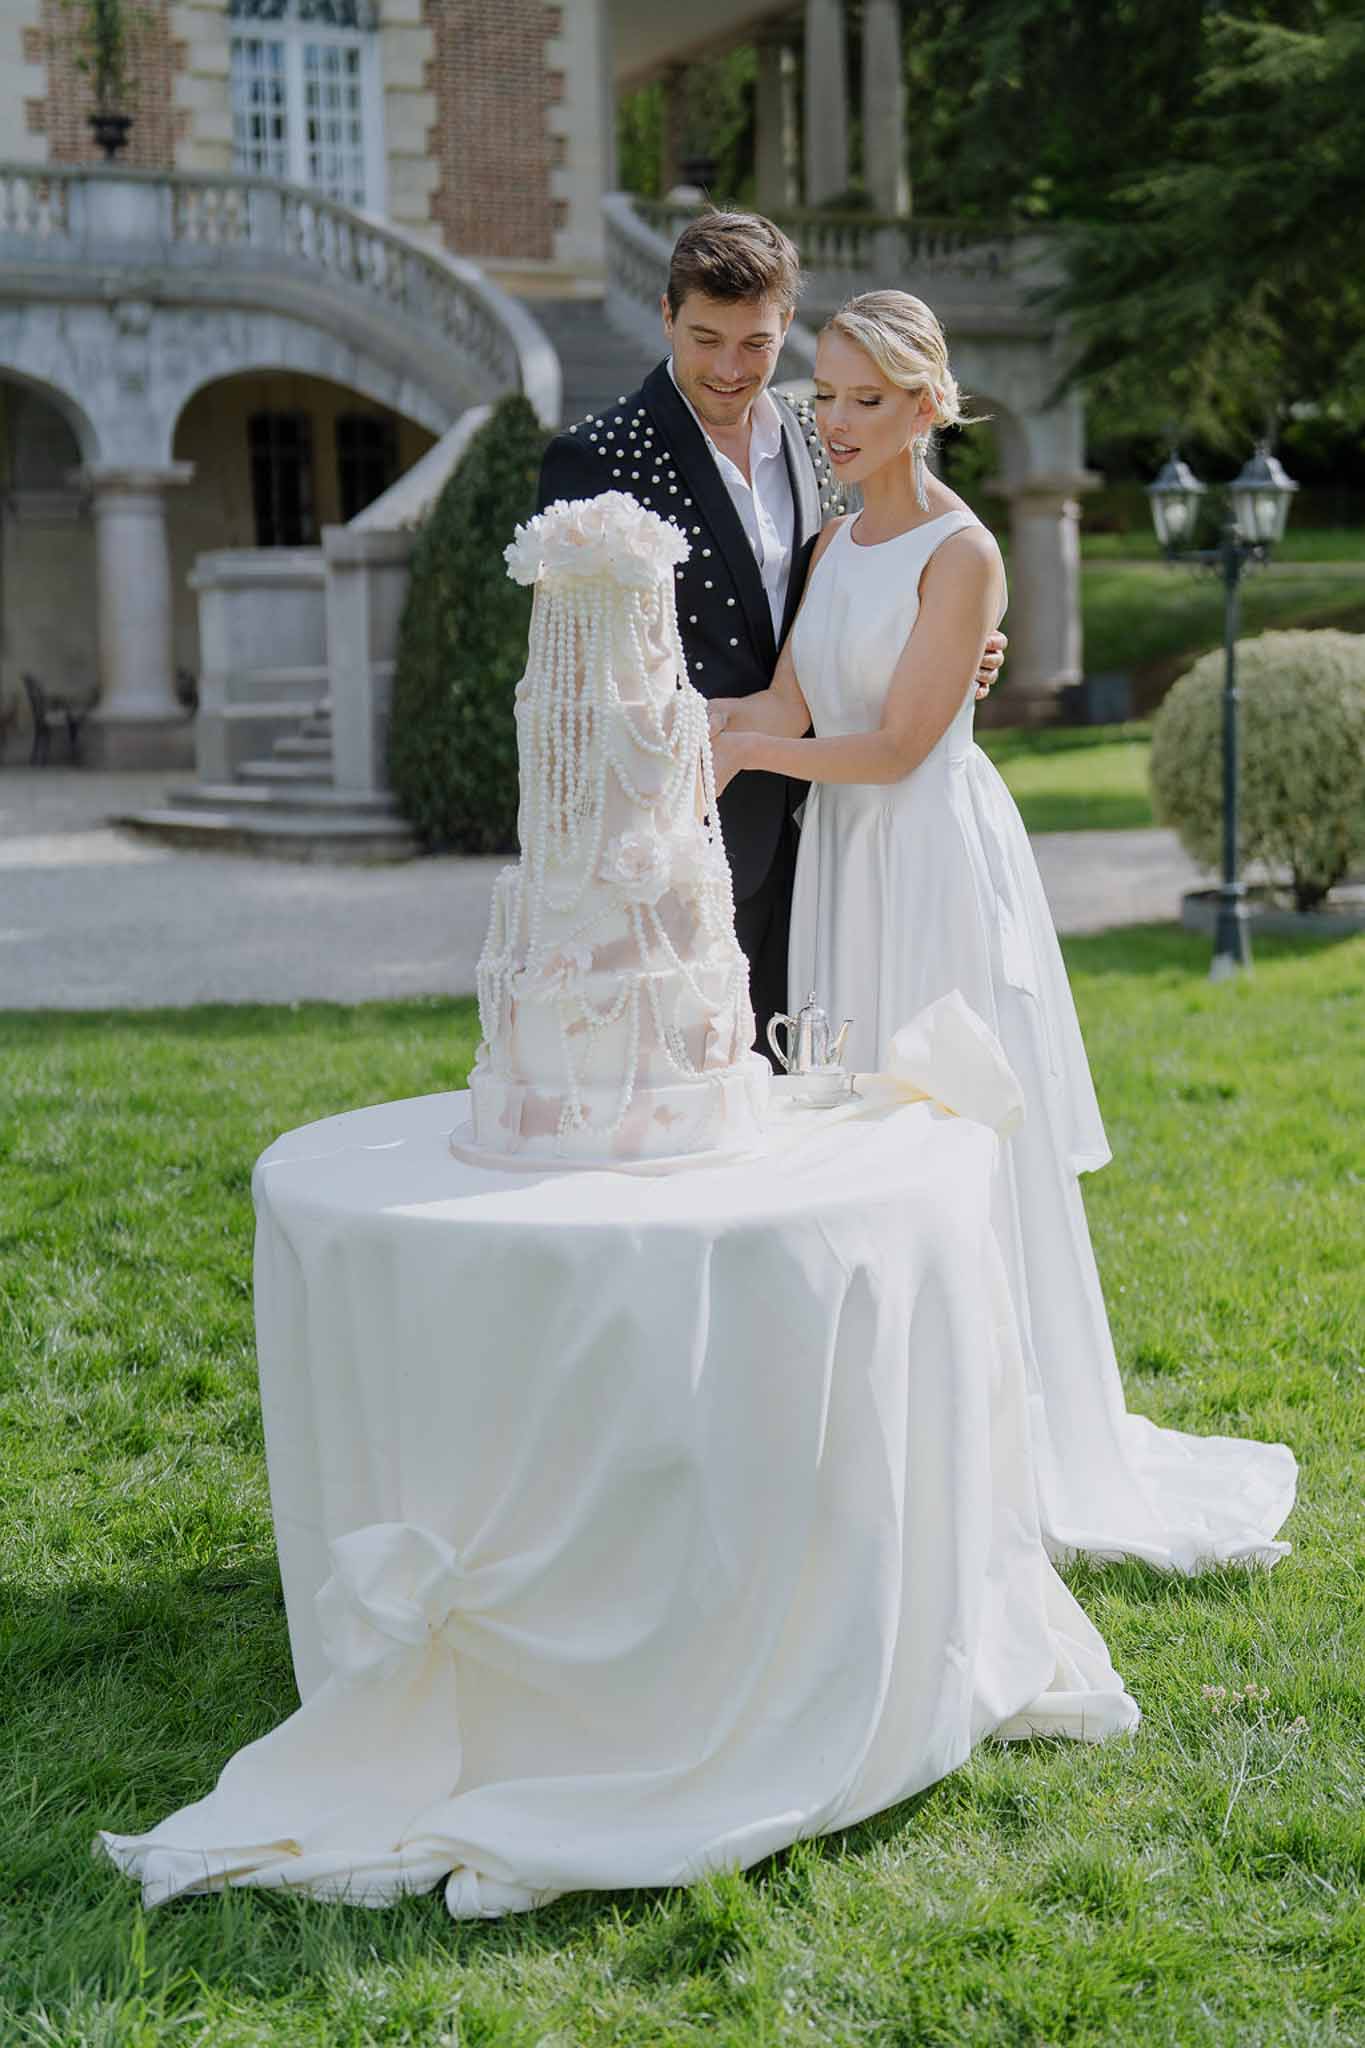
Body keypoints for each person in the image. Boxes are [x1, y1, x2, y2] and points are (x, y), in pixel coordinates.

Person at [709, 289, 1297, 1573]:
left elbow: (903, 742)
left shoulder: (965, 553)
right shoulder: (833, 545)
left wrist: (752, 750)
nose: (841, 422)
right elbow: (789, 698)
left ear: (928, 406)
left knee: (948, 1131)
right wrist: (686, 723)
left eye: (870, 399)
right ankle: (880, 1431)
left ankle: (1004, 1443)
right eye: (829, 398)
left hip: (925, 859)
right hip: (845, 864)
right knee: (851, 1130)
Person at [535, 212, 1005, 1047]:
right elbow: (579, 678)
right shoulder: (596, 460)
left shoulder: (815, 439)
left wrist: (957, 647)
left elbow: (890, 581)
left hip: (835, 826)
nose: (727, 368)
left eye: (753, 344)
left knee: (832, 1086)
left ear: (785, 327)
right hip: (688, 838)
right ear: (666, 314)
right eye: (705, 337)